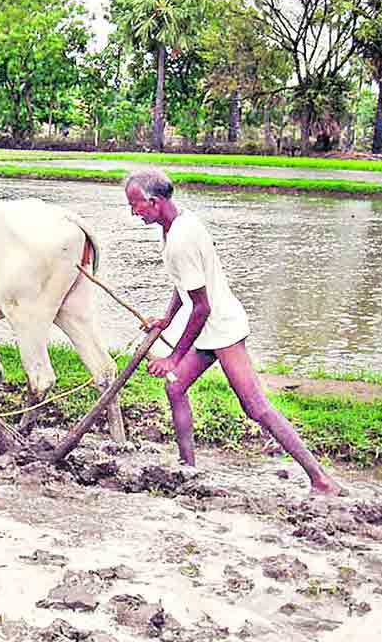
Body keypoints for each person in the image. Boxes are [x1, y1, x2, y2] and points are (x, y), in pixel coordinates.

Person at [124, 167, 342, 495]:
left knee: (255, 406)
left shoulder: (181, 239)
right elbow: (185, 284)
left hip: (222, 327)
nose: (133, 212)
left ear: (154, 202)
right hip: (209, 328)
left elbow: (202, 306)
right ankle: (187, 470)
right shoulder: (176, 224)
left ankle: (321, 480)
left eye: (135, 205)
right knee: (175, 387)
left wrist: (173, 357)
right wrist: (167, 320)